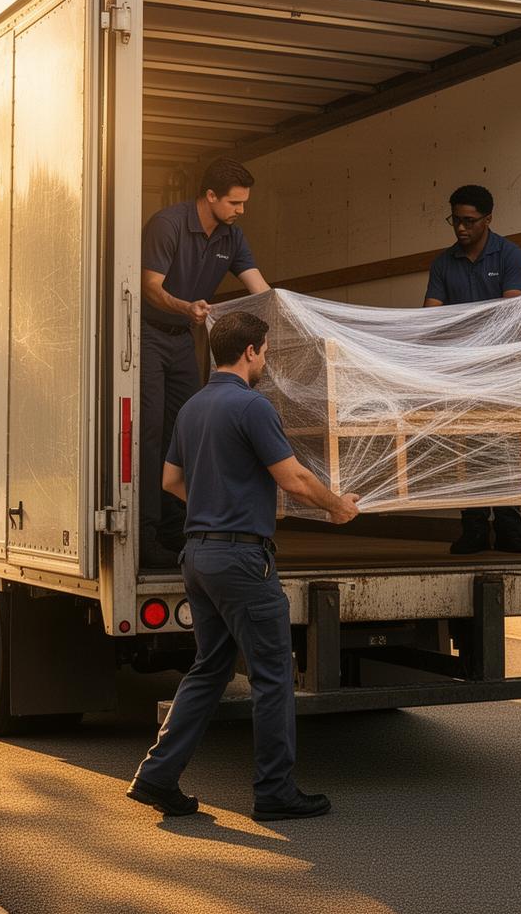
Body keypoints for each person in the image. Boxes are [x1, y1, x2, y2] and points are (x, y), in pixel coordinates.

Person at [127, 311, 360, 822]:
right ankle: (275, 791)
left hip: (198, 555)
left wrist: (214, 502)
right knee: (273, 673)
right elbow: (294, 478)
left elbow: (170, 481)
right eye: (266, 351)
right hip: (239, 558)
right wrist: (337, 506)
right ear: (252, 351)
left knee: (209, 667)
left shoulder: (192, 407)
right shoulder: (253, 407)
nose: (266, 360)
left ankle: (157, 775)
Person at [141, 159, 270, 568]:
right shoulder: (168, 223)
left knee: (184, 431)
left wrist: (289, 317)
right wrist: (185, 306)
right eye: (234, 202)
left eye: (244, 203)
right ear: (210, 196)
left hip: (184, 340)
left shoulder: (232, 236)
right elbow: (150, 288)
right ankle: (143, 536)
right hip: (148, 334)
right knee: (148, 431)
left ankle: (176, 528)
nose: (241, 210)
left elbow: (259, 288)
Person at [423, 184, 521, 555]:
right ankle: (472, 526)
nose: (460, 228)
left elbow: (511, 313)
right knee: (464, 445)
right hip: (460, 371)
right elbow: (431, 317)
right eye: (455, 220)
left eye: (469, 221)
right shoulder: (443, 262)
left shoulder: (510, 256)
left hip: (502, 370)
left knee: (503, 445)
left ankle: (508, 525)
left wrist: (462, 334)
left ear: (488, 219)